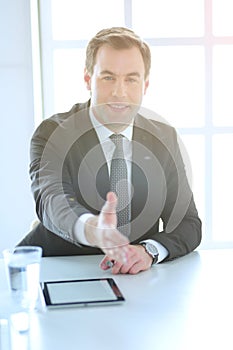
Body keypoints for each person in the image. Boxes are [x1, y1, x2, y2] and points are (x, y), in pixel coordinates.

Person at [18, 27, 202, 274]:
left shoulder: (163, 137)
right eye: (108, 77)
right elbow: (52, 199)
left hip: (135, 278)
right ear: (87, 79)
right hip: (57, 268)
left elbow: (188, 223)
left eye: (131, 79)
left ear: (145, 85)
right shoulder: (53, 133)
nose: (119, 92)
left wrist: (149, 251)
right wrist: (93, 228)